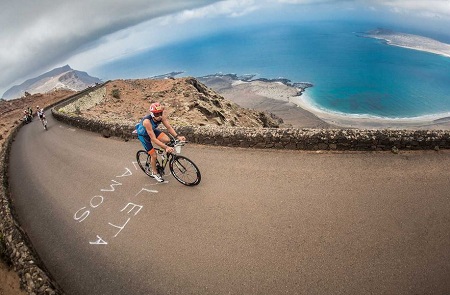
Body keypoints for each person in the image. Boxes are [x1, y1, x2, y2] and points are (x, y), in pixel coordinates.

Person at [135, 102, 185, 182]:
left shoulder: (161, 117)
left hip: (152, 130)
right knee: (154, 155)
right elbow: (154, 139)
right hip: (144, 135)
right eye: (156, 114)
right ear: (152, 114)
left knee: (167, 139)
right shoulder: (147, 122)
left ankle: (162, 150)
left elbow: (169, 127)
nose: (159, 116)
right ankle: (154, 172)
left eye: (160, 113)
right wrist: (166, 147)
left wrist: (177, 137)